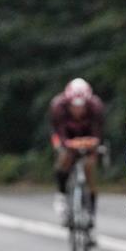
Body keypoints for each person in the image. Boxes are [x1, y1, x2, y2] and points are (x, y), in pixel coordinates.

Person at [49, 78, 105, 238]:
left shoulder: (96, 107)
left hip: (88, 138)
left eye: (82, 106)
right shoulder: (58, 106)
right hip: (66, 138)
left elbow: (98, 132)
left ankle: (91, 211)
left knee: (89, 168)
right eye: (74, 106)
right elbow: (57, 132)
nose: (78, 110)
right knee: (64, 158)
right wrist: (66, 144)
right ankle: (61, 195)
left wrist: (94, 143)